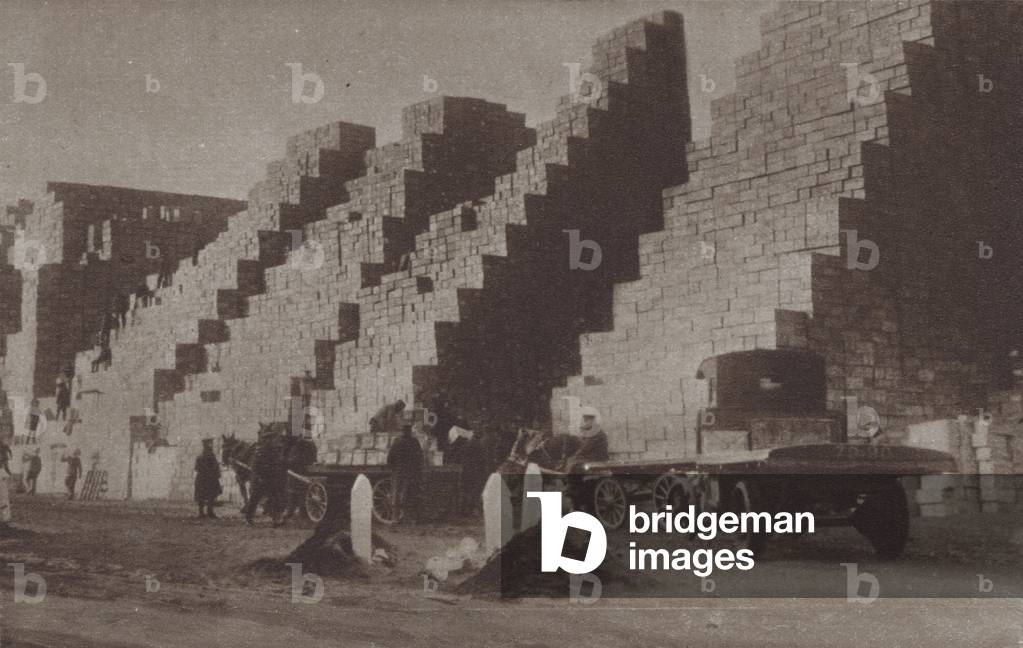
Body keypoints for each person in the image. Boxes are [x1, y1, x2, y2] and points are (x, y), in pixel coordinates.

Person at [386, 424, 423, 524]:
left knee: (396, 493)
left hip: (399, 471)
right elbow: (420, 457)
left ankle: (395, 518)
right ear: (410, 431)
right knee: (411, 494)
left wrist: (393, 466)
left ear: (402, 431)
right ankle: (411, 518)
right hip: (412, 472)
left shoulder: (397, 441)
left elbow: (390, 458)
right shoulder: (415, 442)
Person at [562, 406, 609, 474]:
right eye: (584, 420)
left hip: (598, 457)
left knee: (572, 461)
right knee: (572, 459)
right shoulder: (592, 430)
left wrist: (576, 455)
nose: (585, 422)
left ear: (592, 420)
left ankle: (568, 478)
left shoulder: (595, 432)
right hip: (593, 456)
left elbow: (586, 447)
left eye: (586, 420)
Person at [194, 438, 222, 519]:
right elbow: (214, 467)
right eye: (210, 443)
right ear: (207, 445)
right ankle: (210, 512)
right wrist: (216, 472)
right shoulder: (211, 455)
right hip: (210, 479)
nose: (212, 445)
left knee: (201, 496)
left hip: (200, 478)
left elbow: (196, 468)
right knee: (211, 495)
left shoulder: (199, 455)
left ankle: (201, 513)